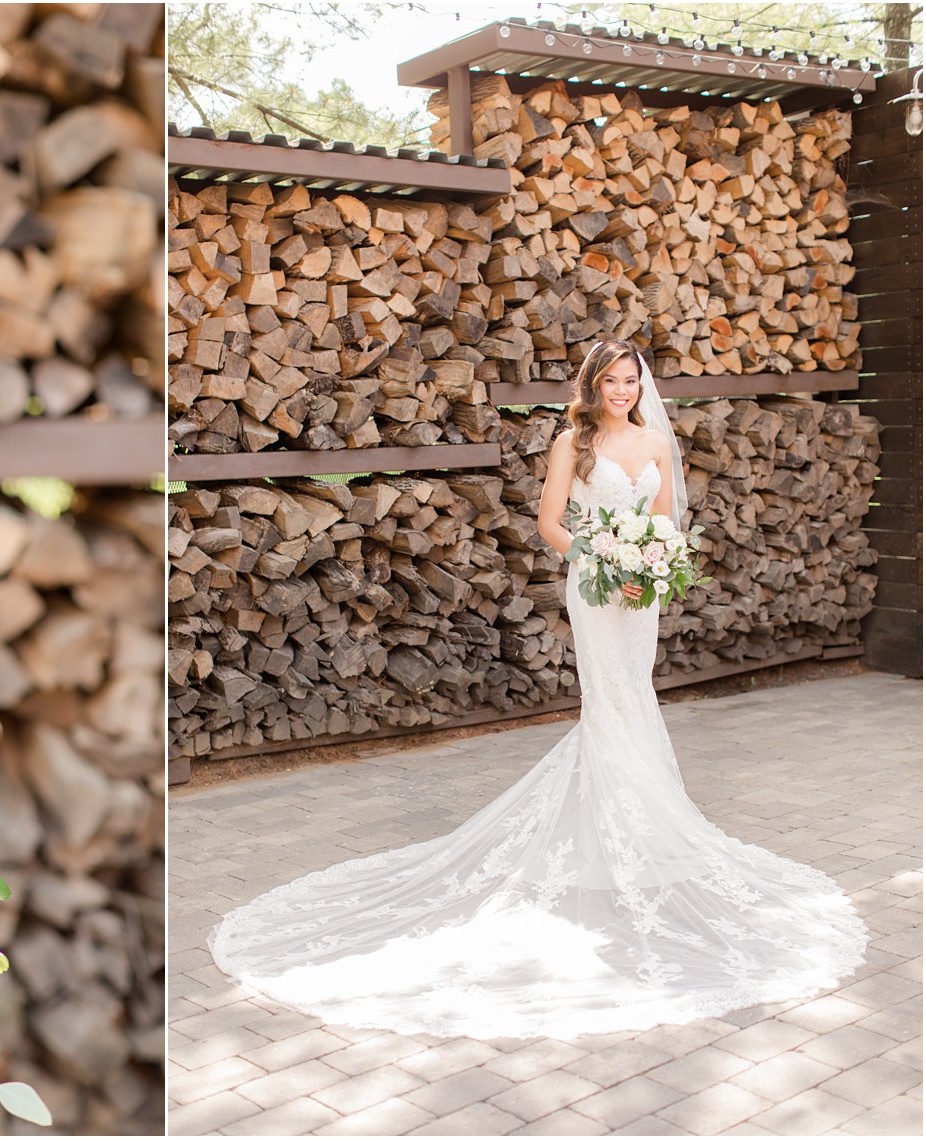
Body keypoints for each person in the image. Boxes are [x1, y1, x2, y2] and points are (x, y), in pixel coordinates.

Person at [209, 339, 867, 1040]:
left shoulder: (653, 441)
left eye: (630, 379)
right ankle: (622, 843)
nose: (621, 389)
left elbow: (670, 520)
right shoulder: (572, 441)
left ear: (642, 385)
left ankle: (633, 837)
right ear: (594, 383)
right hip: (595, 587)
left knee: (634, 699)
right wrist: (605, 554)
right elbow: (553, 524)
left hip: (641, 593)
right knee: (609, 703)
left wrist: (652, 559)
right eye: (611, 380)